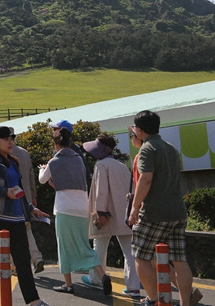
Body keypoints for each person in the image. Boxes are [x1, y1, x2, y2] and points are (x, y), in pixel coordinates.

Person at [0, 126, 50, 306]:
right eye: (6, 139)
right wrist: (4, 191)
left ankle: (34, 301)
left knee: (23, 261)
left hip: (17, 218)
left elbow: (19, 191)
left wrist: (30, 208)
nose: (10, 142)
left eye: (12, 139)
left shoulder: (13, 162)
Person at [127, 110, 194, 306]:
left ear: (139, 130)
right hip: (177, 211)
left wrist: (134, 207)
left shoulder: (147, 149)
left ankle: (153, 299)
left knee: (141, 256)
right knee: (180, 260)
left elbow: (145, 180)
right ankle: (185, 303)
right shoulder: (171, 148)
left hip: (154, 212)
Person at [39, 127, 112, 296]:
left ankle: (68, 283)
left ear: (56, 144)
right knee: (83, 245)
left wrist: (43, 169)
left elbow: (42, 180)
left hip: (64, 208)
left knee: (64, 247)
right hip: (82, 208)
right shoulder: (78, 159)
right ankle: (102, 275)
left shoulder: (53, 162)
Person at [81, 134, 138, 295]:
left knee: (99, 247)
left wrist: (100, 212)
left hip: (105, 214)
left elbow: (101, 191)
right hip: (125, 214)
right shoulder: (121, 165)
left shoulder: (101, 165)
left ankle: (96, 279)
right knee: (129, 251)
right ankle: (133, 286)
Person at [11, 134, 44, 274]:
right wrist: (33, 196)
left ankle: (14, 265)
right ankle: (36, 258)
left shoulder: (4, 154)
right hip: (27, 197)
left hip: (12, 198)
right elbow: (31, 176)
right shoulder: (24, 153)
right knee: (27, 228)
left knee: (11, 232)